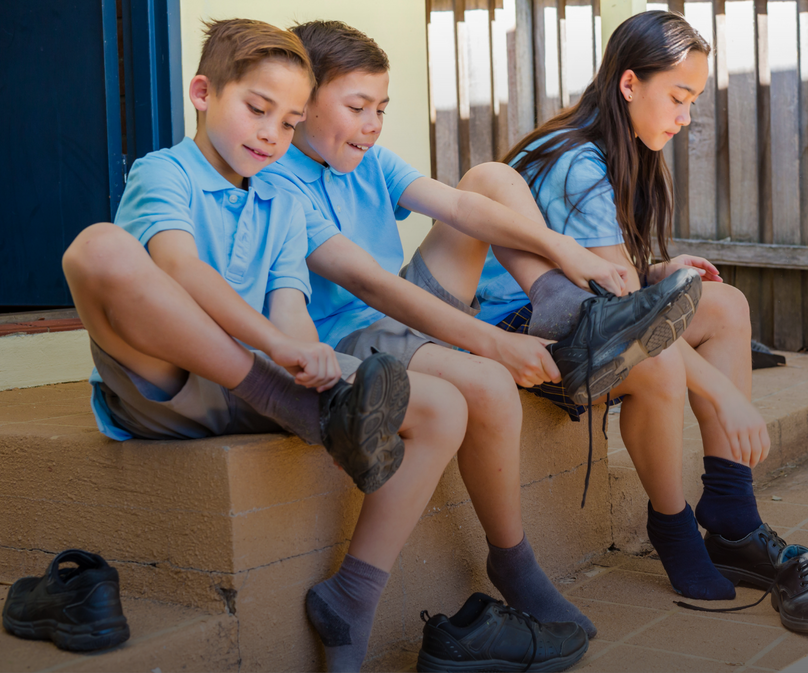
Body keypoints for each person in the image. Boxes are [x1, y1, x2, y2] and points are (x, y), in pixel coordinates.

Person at [259, 19, 702, 666]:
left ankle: (563, 306)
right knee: (490, 385)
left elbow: (461, 209)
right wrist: (490, 342)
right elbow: (371, 286)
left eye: (381, 108)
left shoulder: (368, 160)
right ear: (303, 103)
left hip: (398, 314)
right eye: (357, 108)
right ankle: (509, 560)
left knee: (490, 178)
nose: (373, 125)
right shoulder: (279, 181)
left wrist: (562, 250)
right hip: (349, 336)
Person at [62, 19, 469, 672]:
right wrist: (277, 351)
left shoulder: (283, 198)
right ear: (203, 93)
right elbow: (180, 270)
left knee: (445, 407)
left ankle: (353, 596)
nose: (272, 134)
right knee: (98, 248)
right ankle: (295, 405)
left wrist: (313, 359)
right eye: (257, 109)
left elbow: (289, 302)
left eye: (289, 122)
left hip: (268, 383)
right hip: (170, 384)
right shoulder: (164, 172)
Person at [476, 10, 808, 604]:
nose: (686, 117)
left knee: (726, 305)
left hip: (581, 315)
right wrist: (727, 396)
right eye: (678, 98)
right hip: (523, 325)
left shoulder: (620, 149)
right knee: (656, 358)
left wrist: (655, 269)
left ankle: (733, 513)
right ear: (629, 83)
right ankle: (673, 525)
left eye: (693, 102)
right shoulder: (577, 160)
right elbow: (628, 314)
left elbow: (611, 280)